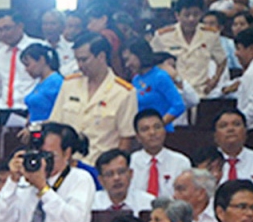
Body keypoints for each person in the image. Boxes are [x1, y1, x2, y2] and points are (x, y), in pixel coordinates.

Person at [0, 122, 94, 222]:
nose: (43, 161)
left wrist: (43, 187)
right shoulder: (25, 181)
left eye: (50, 155)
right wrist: (12, 181)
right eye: (39, 153)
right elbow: (2, 220)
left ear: (67, 153)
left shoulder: (80, 179)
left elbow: (72, 221)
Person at [50, 33, 138, 165]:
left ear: (101, 56)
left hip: (101, 167)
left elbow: (126, 138)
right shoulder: (69, 84)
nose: (80, 65)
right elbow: (55, 126)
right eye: (77, 60)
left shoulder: (124, 92)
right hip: (68, 167)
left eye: (84, 60)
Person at [151, 0, 227, 99]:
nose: (191, 19)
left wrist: (215, 80)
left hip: (200, 92)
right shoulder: (163, 36)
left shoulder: (210, 35)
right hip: (172, 92)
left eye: (196, 15)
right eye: (186, 15)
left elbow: (222, 60)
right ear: (177, 15)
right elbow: (152, 61)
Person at [212, 108, 253, 194]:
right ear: (215, 136)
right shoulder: (207, 162)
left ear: (245, 131)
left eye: (236, 124)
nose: (230, 129)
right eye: (223, 126)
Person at [125, 39, 186, 128]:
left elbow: (178, 105)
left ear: (140, 55)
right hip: (143, 134)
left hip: (163, 133)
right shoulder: (136, 80)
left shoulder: (160, 77)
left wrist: (158, 125)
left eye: (128, 59)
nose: (127, 65)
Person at [131, 109, 191, 197]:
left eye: (157, 127)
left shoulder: (181, 162)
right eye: (145, 129)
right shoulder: (130, 162)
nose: (152, 132)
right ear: (138, 137)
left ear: (164, 131)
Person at [18, 43, 63, 123]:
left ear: (42, 60)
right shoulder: (40, 82)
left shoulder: (57, 81)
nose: (26, 69)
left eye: (28, 65)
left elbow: (60, 114)